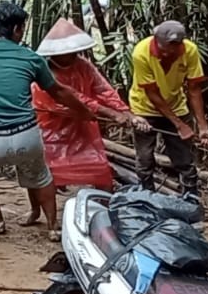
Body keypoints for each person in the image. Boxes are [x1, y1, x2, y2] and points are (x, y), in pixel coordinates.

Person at [0, 1, 93, 237]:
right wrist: (84, 112)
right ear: (17, 29)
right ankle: (53, 227)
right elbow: (59, 92)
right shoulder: (31, 58)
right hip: (26, 135)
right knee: (41, 175)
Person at [24, 18, 150, 223]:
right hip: (50, 131)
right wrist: (110, 114)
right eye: (69, 51)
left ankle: (103, 216)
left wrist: (127, 114)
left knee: (101, 171)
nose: (74, 54)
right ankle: (38, 213)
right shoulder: (43, 73)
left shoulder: (84, 65)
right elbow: (72, 98)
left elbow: (104, 90)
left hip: (81, 129)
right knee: (41, 175)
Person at [129, 19, 208, 199]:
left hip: (176, 105)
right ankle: (147, 196)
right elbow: (152, 93)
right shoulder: (141, 52)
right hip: (144, 107)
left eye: (173, 49)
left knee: (184, 157)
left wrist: (203, 127)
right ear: (156, 41)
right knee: (144, 157)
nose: (168, 53)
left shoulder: (190, 51)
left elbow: (194, 89)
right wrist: (179, 125)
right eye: (163, 49)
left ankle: (191, 197)